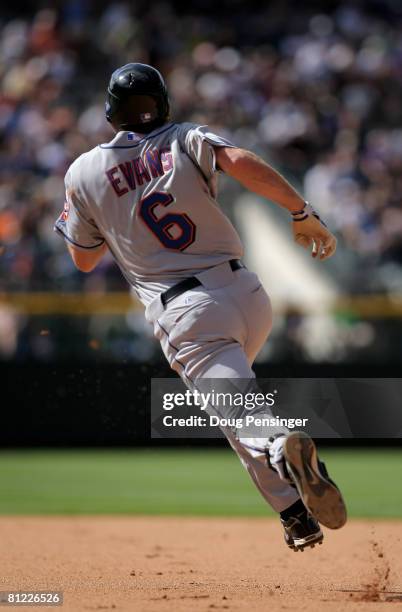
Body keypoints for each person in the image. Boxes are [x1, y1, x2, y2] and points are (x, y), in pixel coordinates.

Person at [55, 63, 346, 551]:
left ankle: (280, 446)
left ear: (110, 111)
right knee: (232, 409)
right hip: (248, 296)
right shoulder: (184, 136)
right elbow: (240, 160)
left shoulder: (82, 172)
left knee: (247, 419)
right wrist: (301, 211)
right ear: (162, 103)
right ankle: (295, 516)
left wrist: (111, 218)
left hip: (188, 313)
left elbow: (82, 261)